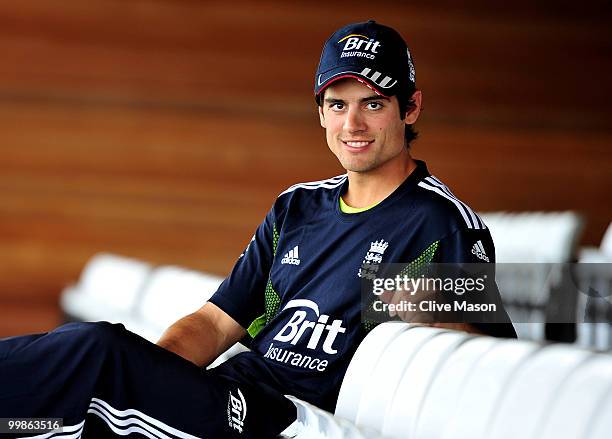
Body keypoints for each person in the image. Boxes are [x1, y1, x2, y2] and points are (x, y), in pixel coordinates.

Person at [0, 20, 516, 438]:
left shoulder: (440, 222)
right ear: (320, 114)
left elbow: (492, 361)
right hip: (220, 395)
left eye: (373, 104)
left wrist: (443, 316)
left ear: (411, 108)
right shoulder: (297, 207)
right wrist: (148, 378)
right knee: (47, 418)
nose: (352, 125)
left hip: (284, 420)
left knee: (95, 347)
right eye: (338, 105)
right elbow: (213, 324)